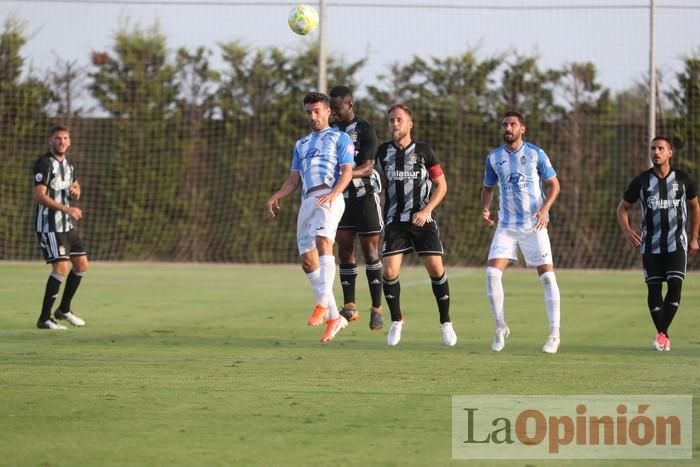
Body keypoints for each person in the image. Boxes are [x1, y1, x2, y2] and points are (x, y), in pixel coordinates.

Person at [266, 92, 355, 343]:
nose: (313, 116)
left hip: (330, 195)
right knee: (307, 260)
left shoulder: (340, 137)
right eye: (309, 112)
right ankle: (334, 317)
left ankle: (323, 303)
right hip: (308, 200)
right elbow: (294, 179)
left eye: (317, 111)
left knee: (323, 242)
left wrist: (335, 192)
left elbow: (347, 171)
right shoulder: (301, 144)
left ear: (328, 111)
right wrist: (277, 195)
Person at [375, 103, 457, 347]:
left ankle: (445, 322)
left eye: (399, 119)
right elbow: (370, 173)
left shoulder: (424, 151)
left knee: (436, 269)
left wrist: (427, 210)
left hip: (423, 220)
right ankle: (397, 320)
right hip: (395, 221)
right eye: (391, 120)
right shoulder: (382, 152)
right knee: (389, 272)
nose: (395, 124)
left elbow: (442, 185)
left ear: (410, 124)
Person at [481, 111, 561, 353]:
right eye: (505, 124)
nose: (508, 128)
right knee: (492, 274)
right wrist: (485, 208)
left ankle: (554, 333)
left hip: (533, 225)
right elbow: (487, 187)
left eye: (513, 124)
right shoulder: (494, 157)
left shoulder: (536, 153)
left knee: (547, 277)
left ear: (522, 129)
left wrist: (545, 209)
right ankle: (500, 327)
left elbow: (554, 185)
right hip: (506, 226)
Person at [616, 136, 699, 352]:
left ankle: (661, 334)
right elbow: (622, 208)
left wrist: (695, 237)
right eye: (653, 148)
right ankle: (664, 335)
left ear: (670, 153)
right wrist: (627, 231)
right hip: (650, 246)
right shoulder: (641, 181)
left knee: (675, 286)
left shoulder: (683, 179)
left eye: (661, 148)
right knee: (654, 289)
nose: (656, 152)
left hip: (676, 244)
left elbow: (695, 207)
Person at [329, 85, 384, 330]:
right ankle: (350, 306)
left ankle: (377, 308)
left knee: (371, 252)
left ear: (349, 105)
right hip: (342, 200)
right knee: (345, 251)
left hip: (365, 197)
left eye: (337, 108)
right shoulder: (330, 131)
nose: (334, 113)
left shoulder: (364, 129)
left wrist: (345, 175)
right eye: (331, 108)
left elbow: (369, 165)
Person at [33, 125, 89, 330]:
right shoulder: (44, 164)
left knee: (82, 265)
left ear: (70, 141)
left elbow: (75, 186)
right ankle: (44, 318)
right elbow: (40, 196)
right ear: (51, 141)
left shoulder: (70, 163)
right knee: (62, 267)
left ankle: (64, 310)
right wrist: (67, 208)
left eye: (65, 138)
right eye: (58, 138)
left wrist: (76, 192)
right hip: (49, 225)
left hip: (67, 225)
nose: (62, 141)